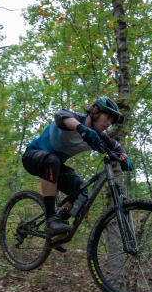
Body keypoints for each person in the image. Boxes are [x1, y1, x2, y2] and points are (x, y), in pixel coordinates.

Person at [22, 96, 133, 250]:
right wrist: (81, 129)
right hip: (32, 156)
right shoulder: (75, 119)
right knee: (52, 161)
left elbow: (117, 147)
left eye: (112, 121)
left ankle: (57, 229)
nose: (108, 123)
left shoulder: (100, 136)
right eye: (107, 117)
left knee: (80, 191)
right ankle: (50, 220)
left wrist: (124, 158)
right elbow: (61, 116)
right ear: (95, 110)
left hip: (55, 166)